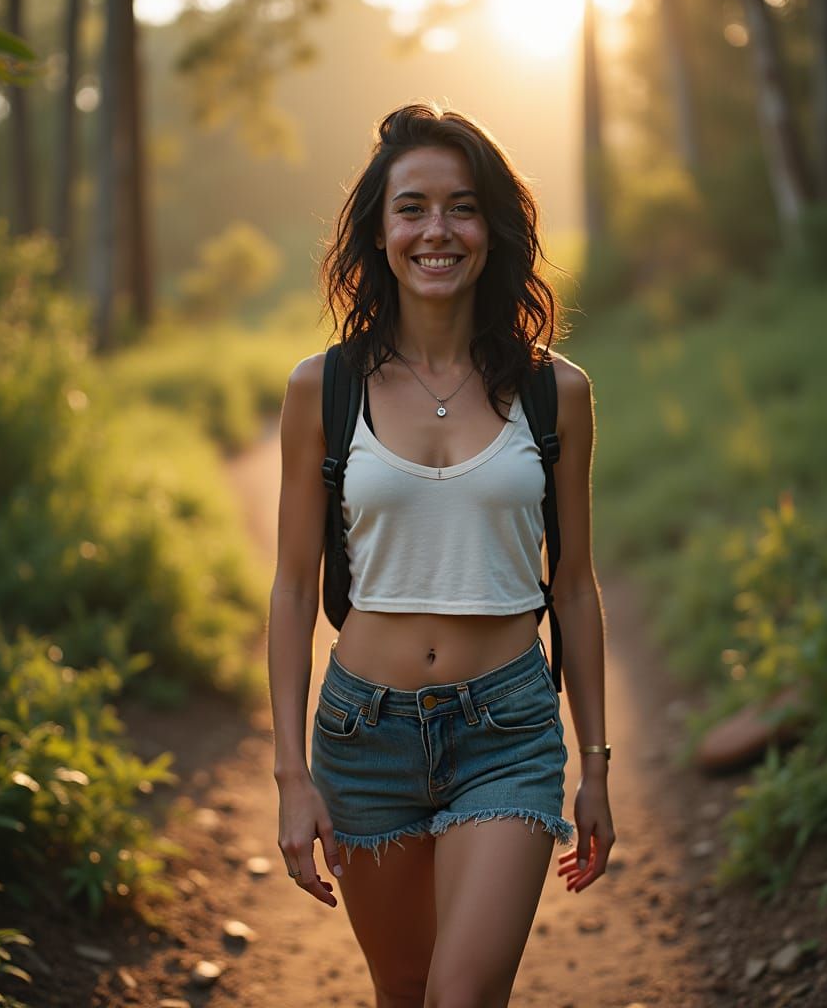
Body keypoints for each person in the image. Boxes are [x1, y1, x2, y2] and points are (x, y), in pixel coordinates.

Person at [268, 102, 614, 1008]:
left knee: (461, 994)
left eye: (461, 207)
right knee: (406, 988)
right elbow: (292, 590)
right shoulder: (323, 387)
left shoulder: (557, 393)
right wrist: (290, 777)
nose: (437, 230)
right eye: (412, 207)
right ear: (379, 233)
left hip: (508, 731)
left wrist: (597, 769)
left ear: (491, 231)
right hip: (363, 734)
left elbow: (574, 588)